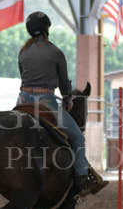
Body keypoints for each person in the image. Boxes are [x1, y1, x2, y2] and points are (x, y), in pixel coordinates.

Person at [17, 11, 100, 196]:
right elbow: (63, 84)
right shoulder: (55, 52)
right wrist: (67, 98)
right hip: (46, 102)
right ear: (47, 29)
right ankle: (82, 178)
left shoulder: (23, 52)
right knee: (78, 137)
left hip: (22, 101)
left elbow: (23, 76)